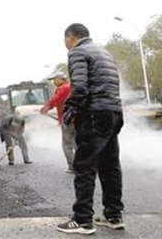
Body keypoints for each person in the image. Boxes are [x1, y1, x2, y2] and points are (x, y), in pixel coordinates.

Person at [56, 23, 125, 235]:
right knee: (110, 165)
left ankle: (83, 220)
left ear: (70, 37)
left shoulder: (78, 51)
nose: (65, 44)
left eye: (64, 40)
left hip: (94, 113)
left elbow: (80, 86)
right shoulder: (103, 52)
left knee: (84, 165)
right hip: (113, 112)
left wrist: (70, 109)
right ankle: (114, 215)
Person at [40, 72, 76, 173]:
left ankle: (72, 167)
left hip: (68, 121)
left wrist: (45, 108)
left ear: (59, 79)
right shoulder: (72, 86)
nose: (53, 82)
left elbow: (55, 100)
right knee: (77, 143)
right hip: (76, 119)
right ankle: (82, 165)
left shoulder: (63, 88)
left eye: (54, 79)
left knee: (67, 145)